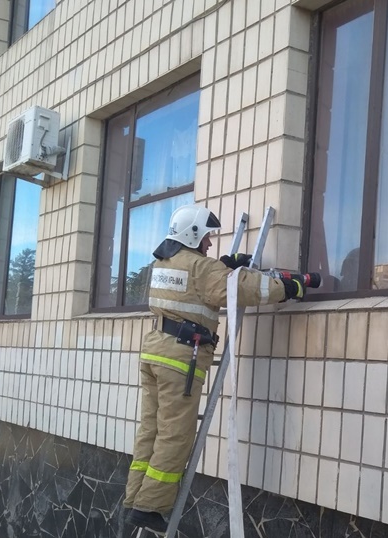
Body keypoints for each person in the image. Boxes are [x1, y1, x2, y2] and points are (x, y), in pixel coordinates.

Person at [123, 204, 305, 534]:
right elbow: (244, 288)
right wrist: (289, 288)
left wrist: (223, 265)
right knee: (175, 435)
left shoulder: (165, 262)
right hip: (180, 361)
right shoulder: (202, 268)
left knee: (150, 431)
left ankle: (135, 499)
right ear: (192, 235)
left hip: (154, 354)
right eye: (206, 237)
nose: (209, 243)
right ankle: (150, 507)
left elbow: (195, 283)